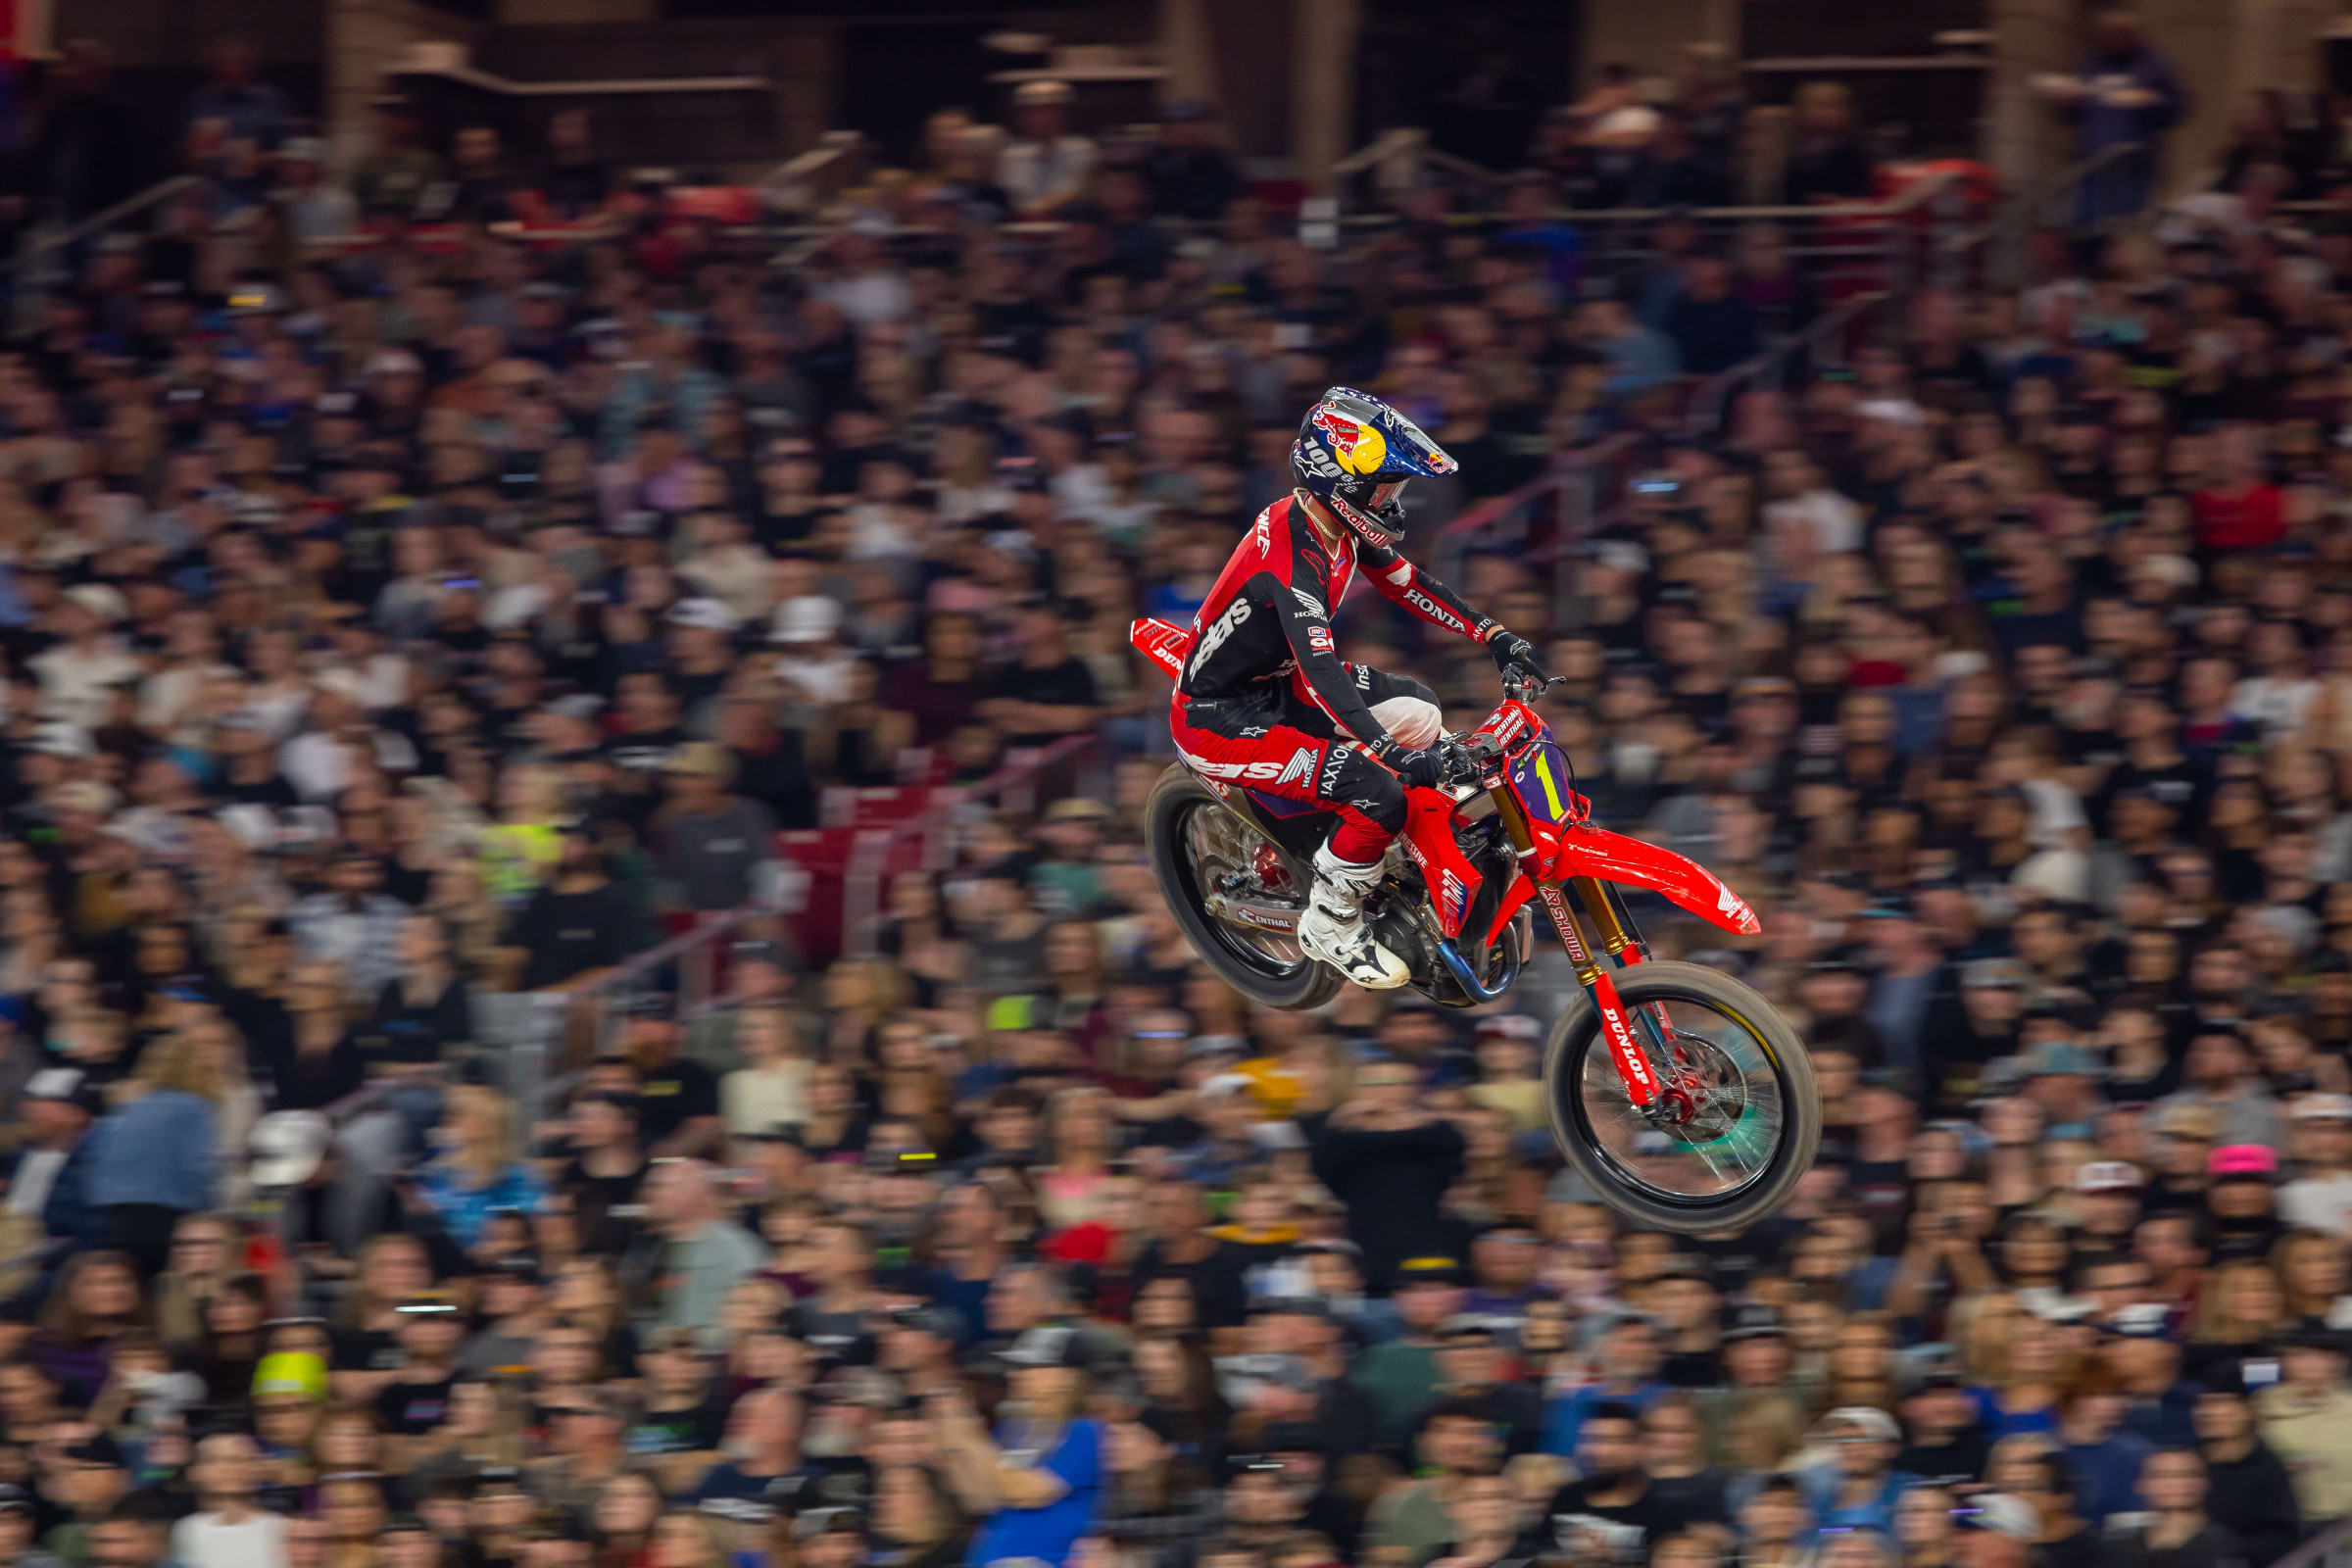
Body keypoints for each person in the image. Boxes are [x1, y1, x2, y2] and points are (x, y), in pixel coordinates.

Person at [1166, 387, 1547, 986]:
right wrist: (1389, 755)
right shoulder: (1290, 557)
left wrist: (1494, 634)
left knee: (1420, 709)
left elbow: (1405, 582)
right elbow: (1322, 674)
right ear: (1336, 482)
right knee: (1379, 794)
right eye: (1383, 490)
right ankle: (1332, 920)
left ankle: (1402, 857)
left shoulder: (1332, 524)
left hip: (1276, 686)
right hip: (1221, 719)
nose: (1393, 504)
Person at [170, 1432, 289, 1568]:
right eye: (215, 1460)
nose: (228, 1468)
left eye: (241, 1460)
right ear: (194, 1472)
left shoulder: (282, 1528)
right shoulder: (186, 1530)